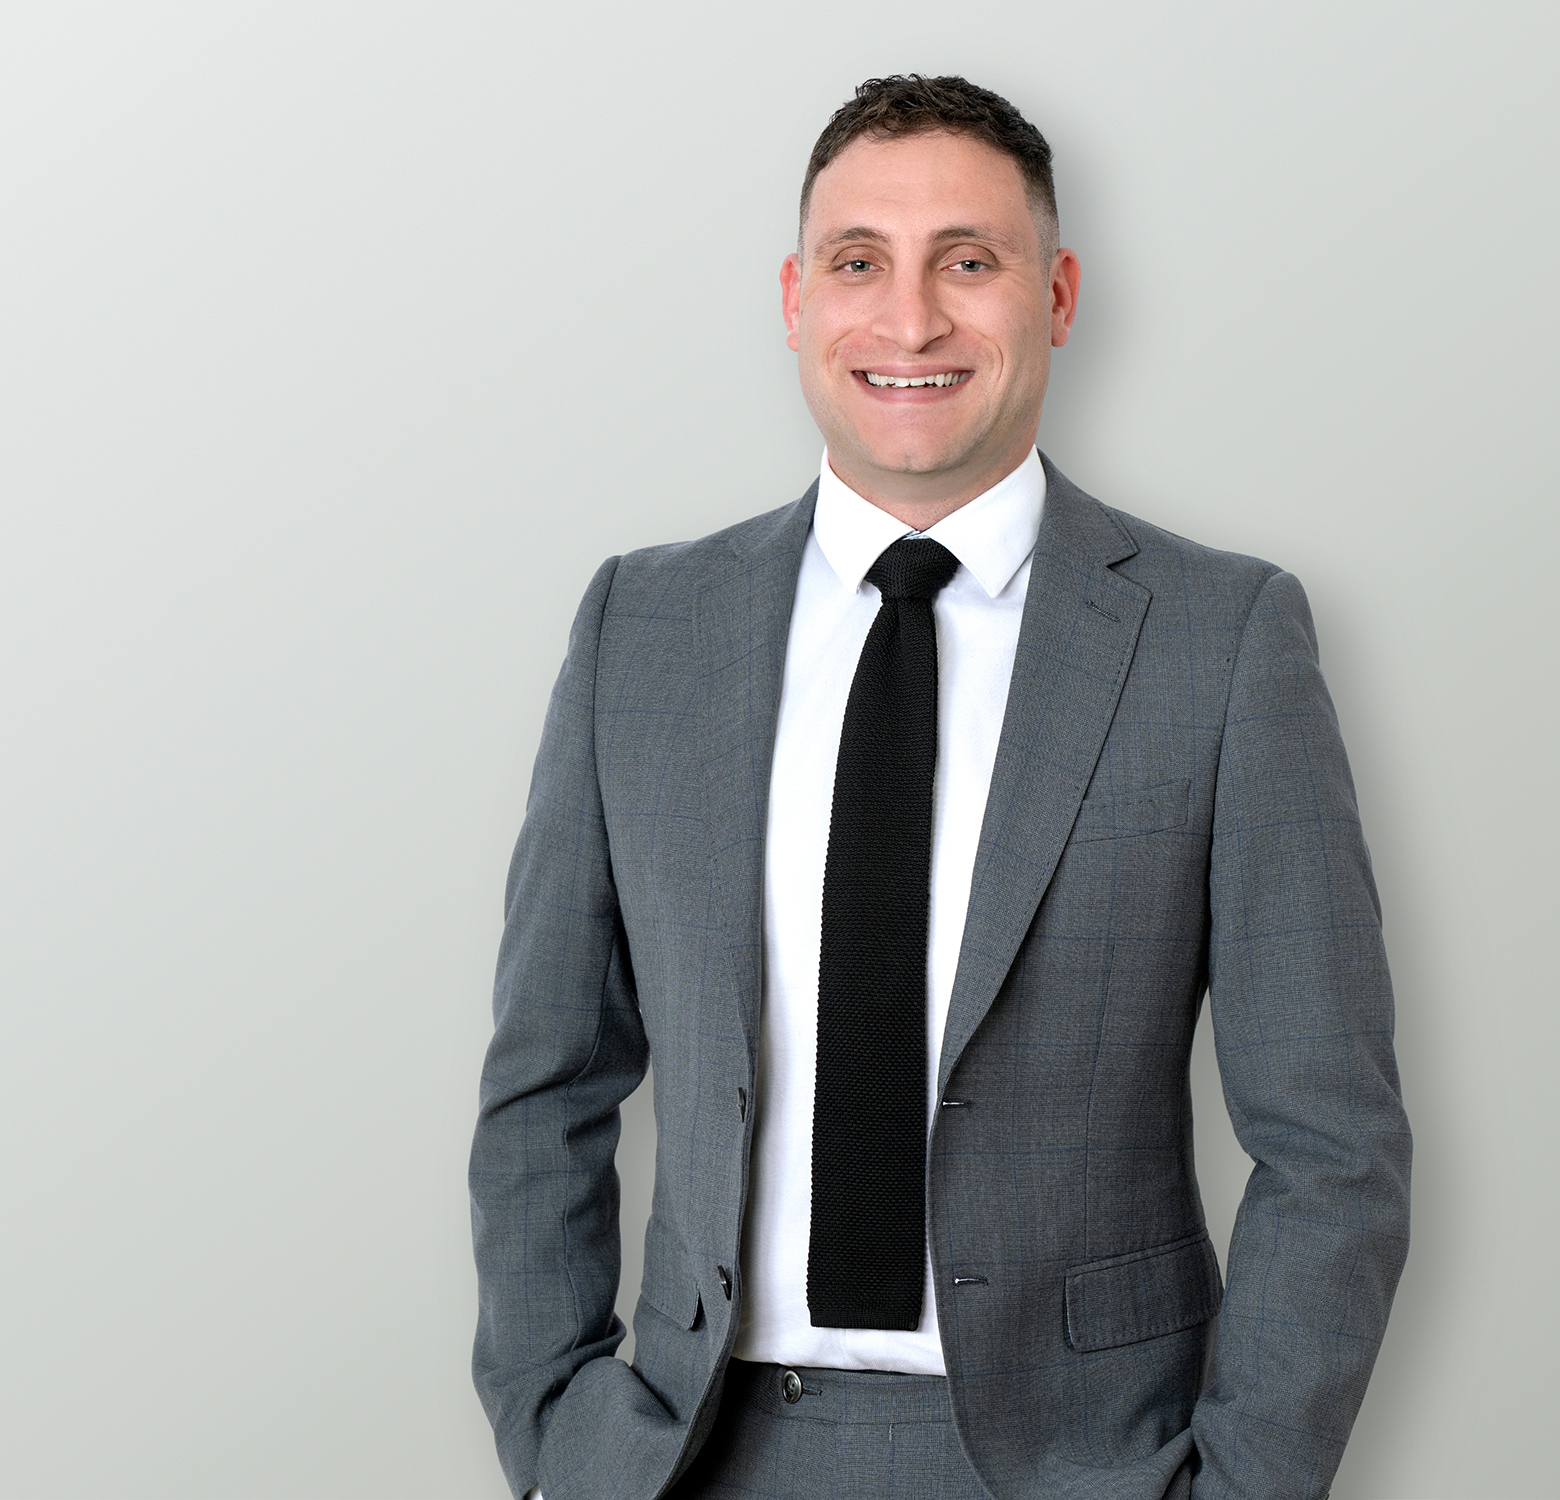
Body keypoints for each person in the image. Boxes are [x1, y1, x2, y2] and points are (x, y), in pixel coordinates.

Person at [469, 74, 1411, 1500]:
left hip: (1089, 1461)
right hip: (694, 1453)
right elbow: (546, 1079)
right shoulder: (643, 632)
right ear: (796, 299)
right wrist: (561, 1437)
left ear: (1058, 295)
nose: (909, 322)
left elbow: (1333, 1145)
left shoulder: (1221, 642)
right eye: (859, 263)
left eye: (967, 262)